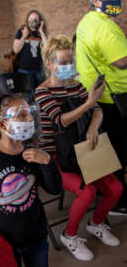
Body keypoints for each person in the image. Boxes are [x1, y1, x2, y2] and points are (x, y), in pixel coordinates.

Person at [35, 36, 123, 261]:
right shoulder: (42, 92)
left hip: (82, 150)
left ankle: (96, 224)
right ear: (50, 64)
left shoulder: (76, 86)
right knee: (88, 191)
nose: (68, 66)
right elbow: (60, 121)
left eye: (70, 61)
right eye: (62, 62)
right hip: (55, 158)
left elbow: (97, 111)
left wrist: (92, 128)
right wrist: (89, 102)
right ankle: (69, 235)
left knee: (115, 187)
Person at [0, 93, 62, 267]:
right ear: (2, 123)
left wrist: (47, 162)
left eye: (29, 113)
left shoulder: (33, 152)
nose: (28, 119)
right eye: (21, 114)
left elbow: (55, 189)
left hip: (36, 235)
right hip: (3, 240)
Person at [75, 0, 127, 215]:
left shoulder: (88, 21)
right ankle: (118, 201)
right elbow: (122, 60)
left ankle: (114, 198)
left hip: (99, 95)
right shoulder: (104, 25)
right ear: (96, 0)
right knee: (120, 150)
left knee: (114, 150)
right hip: (115, 95)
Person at [13, 10, 48, 90]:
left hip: (39, 69)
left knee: (42, 91)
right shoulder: (21, 31)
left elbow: (47, 48)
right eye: (31, 18)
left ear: (39, 21)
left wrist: (41, 31)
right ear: (27, 20)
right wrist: (24, 36)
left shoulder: (41, 33)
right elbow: (16, 50)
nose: (33, 21)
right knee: (31, 95)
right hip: (25, 69)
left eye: (36, 18)